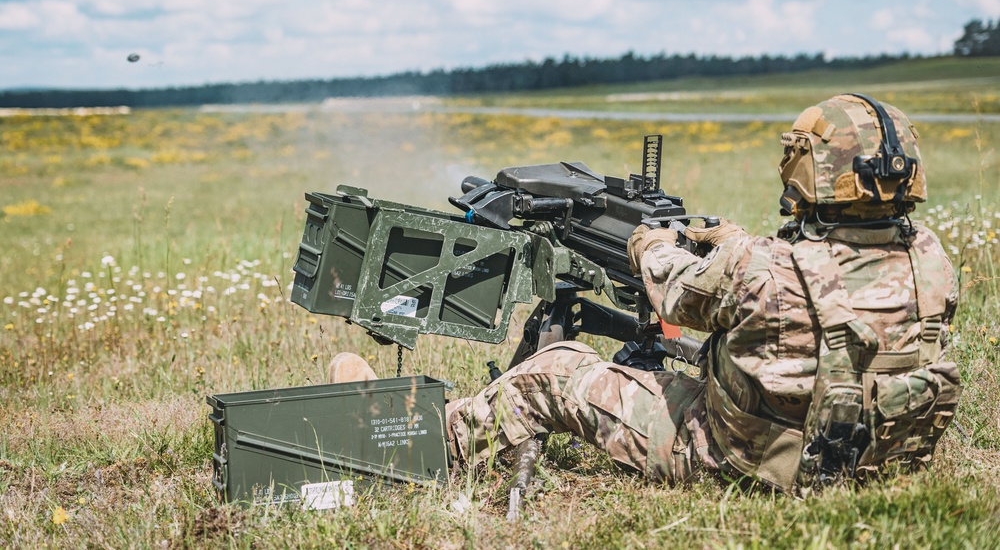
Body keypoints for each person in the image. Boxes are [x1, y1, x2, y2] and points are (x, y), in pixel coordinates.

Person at [335, 94, 963, 492]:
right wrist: (736, 242)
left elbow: (673, 292)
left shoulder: (758, 268)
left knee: (552, 371)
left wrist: (652, 240)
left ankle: (422, 445)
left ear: (809, 169)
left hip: (744, 459)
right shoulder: (930, 259)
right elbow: (814, 283)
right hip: (876, 455)